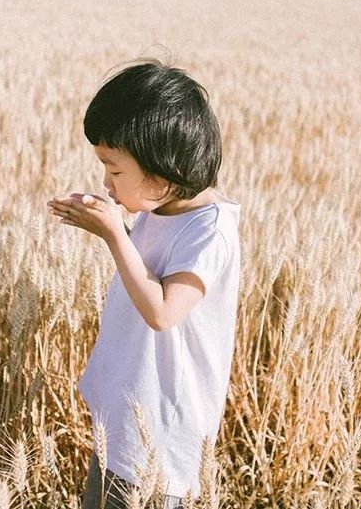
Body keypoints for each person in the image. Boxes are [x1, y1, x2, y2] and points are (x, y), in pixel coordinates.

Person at [46, 58, 242, 508]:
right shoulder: (162, 210)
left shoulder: (209, 231)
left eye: (115, 171)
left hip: (159, 431)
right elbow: (150, 268)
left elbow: (162, 311)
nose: (106, 181)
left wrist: (115, 233)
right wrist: (112, 226)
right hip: (125, 416)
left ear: (160, 173)